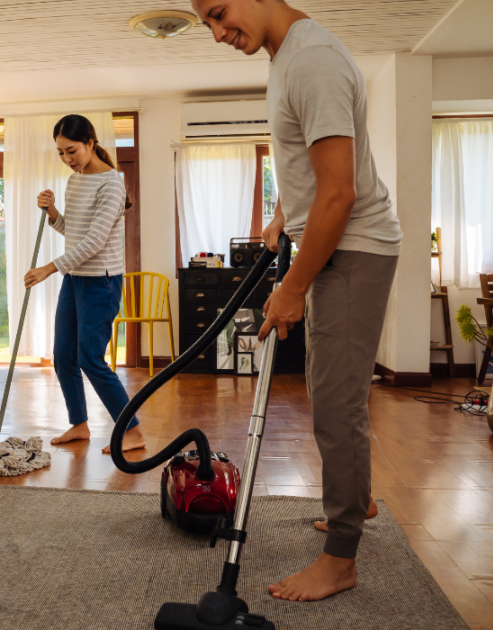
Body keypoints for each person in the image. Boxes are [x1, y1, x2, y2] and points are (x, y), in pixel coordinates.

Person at [191, 0, 402, 603]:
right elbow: (313, 169)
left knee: (336, 404)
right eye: (206, 21)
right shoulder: (286, 57)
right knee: (326, 385)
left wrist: (291, 288)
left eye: (218, 12)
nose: (216, 33)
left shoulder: (311, 60)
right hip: (332, 240)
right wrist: (285, 212)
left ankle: (341, 558)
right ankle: (356, 497)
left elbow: (340, 193)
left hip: (352, 246)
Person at [23, 114, 146, 454]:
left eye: (72, 150)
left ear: (91, 143)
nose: (67, 159)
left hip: (101, 283)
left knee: (91, 358)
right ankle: (79, 424)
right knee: (63, 355)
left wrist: (49, 268)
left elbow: (94, 241)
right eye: (61, 153)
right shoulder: (74, 181)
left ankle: (132, 431)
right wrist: (52, 213)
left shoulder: (112, 183)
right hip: (76, 279)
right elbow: (73, 231)